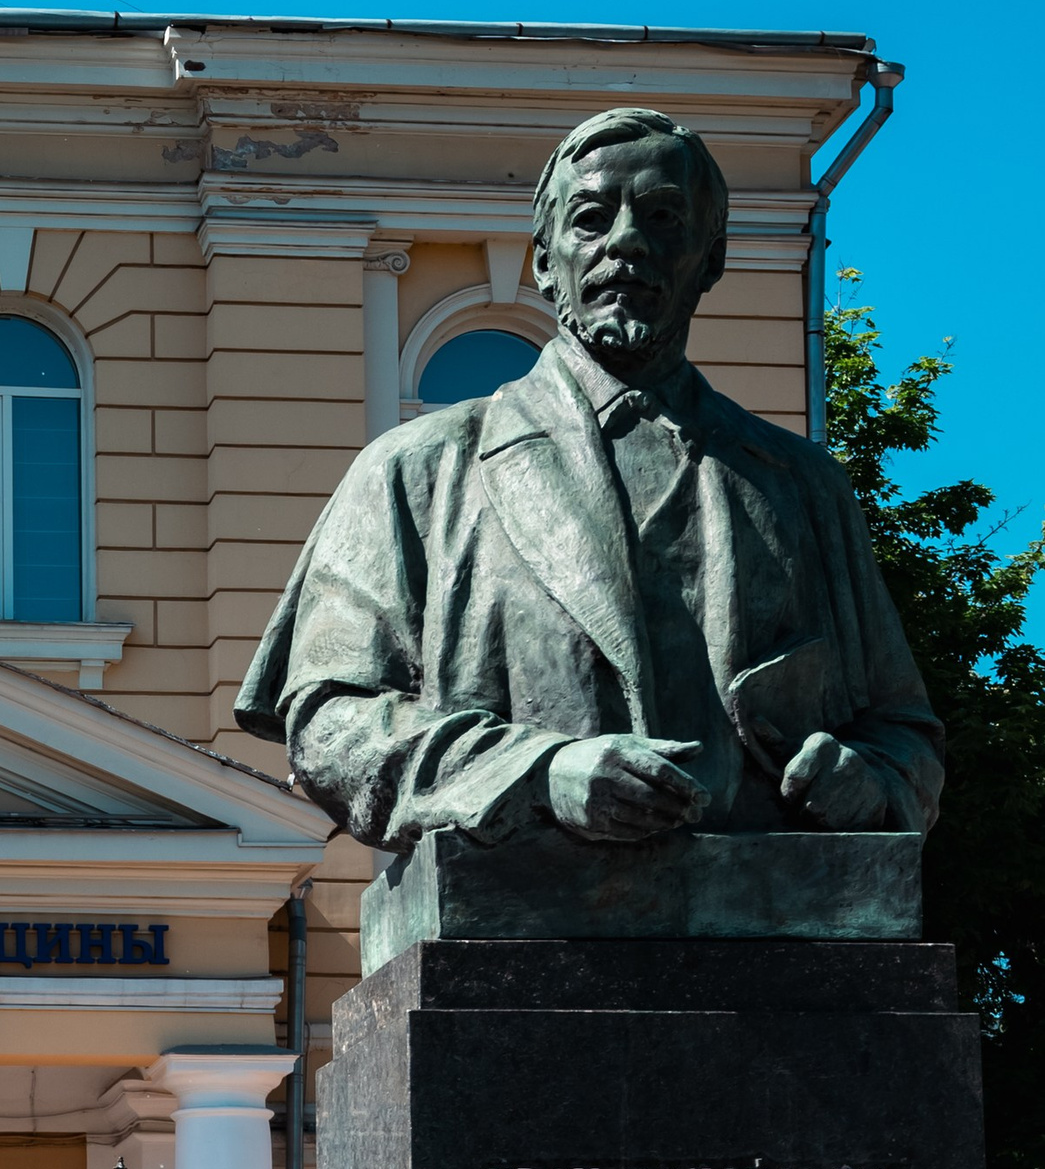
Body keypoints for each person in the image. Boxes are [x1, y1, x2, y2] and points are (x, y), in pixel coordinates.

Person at [236, 106, 942, 851]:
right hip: (520, 920)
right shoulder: (415, 470)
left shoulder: (802, 488)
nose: (626, 242)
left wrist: (870, 779)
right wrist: (539, 772)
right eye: (591, 218)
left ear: (710, 257)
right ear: (545, 260)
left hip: (768, 916)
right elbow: (328, 725)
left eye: (664, 217)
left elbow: (905, 736)